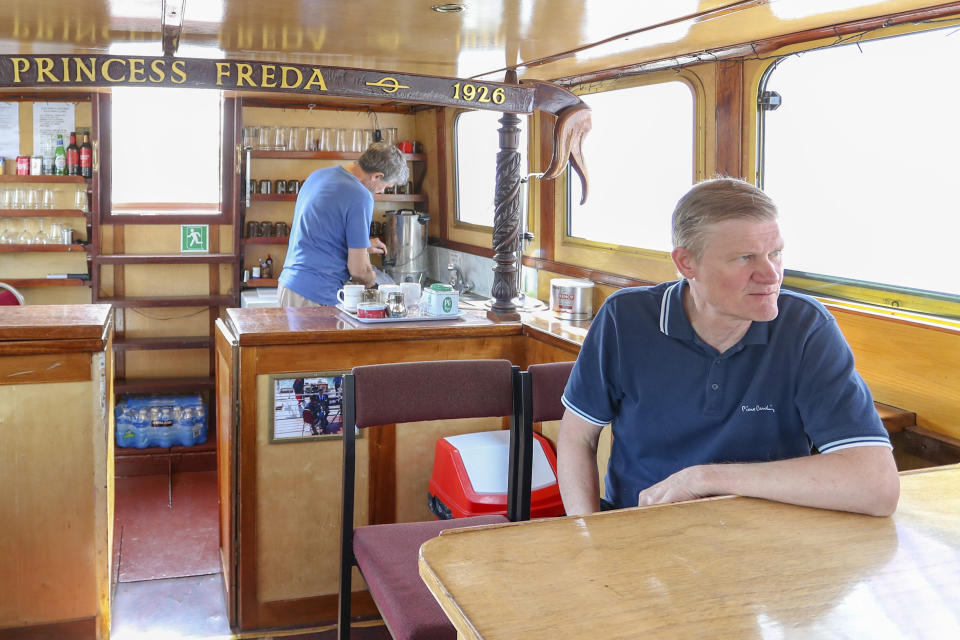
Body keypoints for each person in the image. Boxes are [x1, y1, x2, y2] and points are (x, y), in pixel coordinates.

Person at [557, 177, 900, 517]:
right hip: (643, 529)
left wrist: (706, 478)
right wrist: (587, 536)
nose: (771, 275)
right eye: (745, 258)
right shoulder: (625, 318)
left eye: (775, 253)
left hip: (771, 535)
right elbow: (577, 439)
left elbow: (877, 486)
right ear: (686, 263)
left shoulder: (807, 327)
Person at [277, 142, 409, 307]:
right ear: (377, 176)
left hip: (289, 285)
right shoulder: (360, 195)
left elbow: (321, 234)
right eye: (386, 187)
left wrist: (363, 246)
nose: (382, 192)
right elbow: (359, 270)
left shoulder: (318, 176)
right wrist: (374, 280)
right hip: (316, 294)